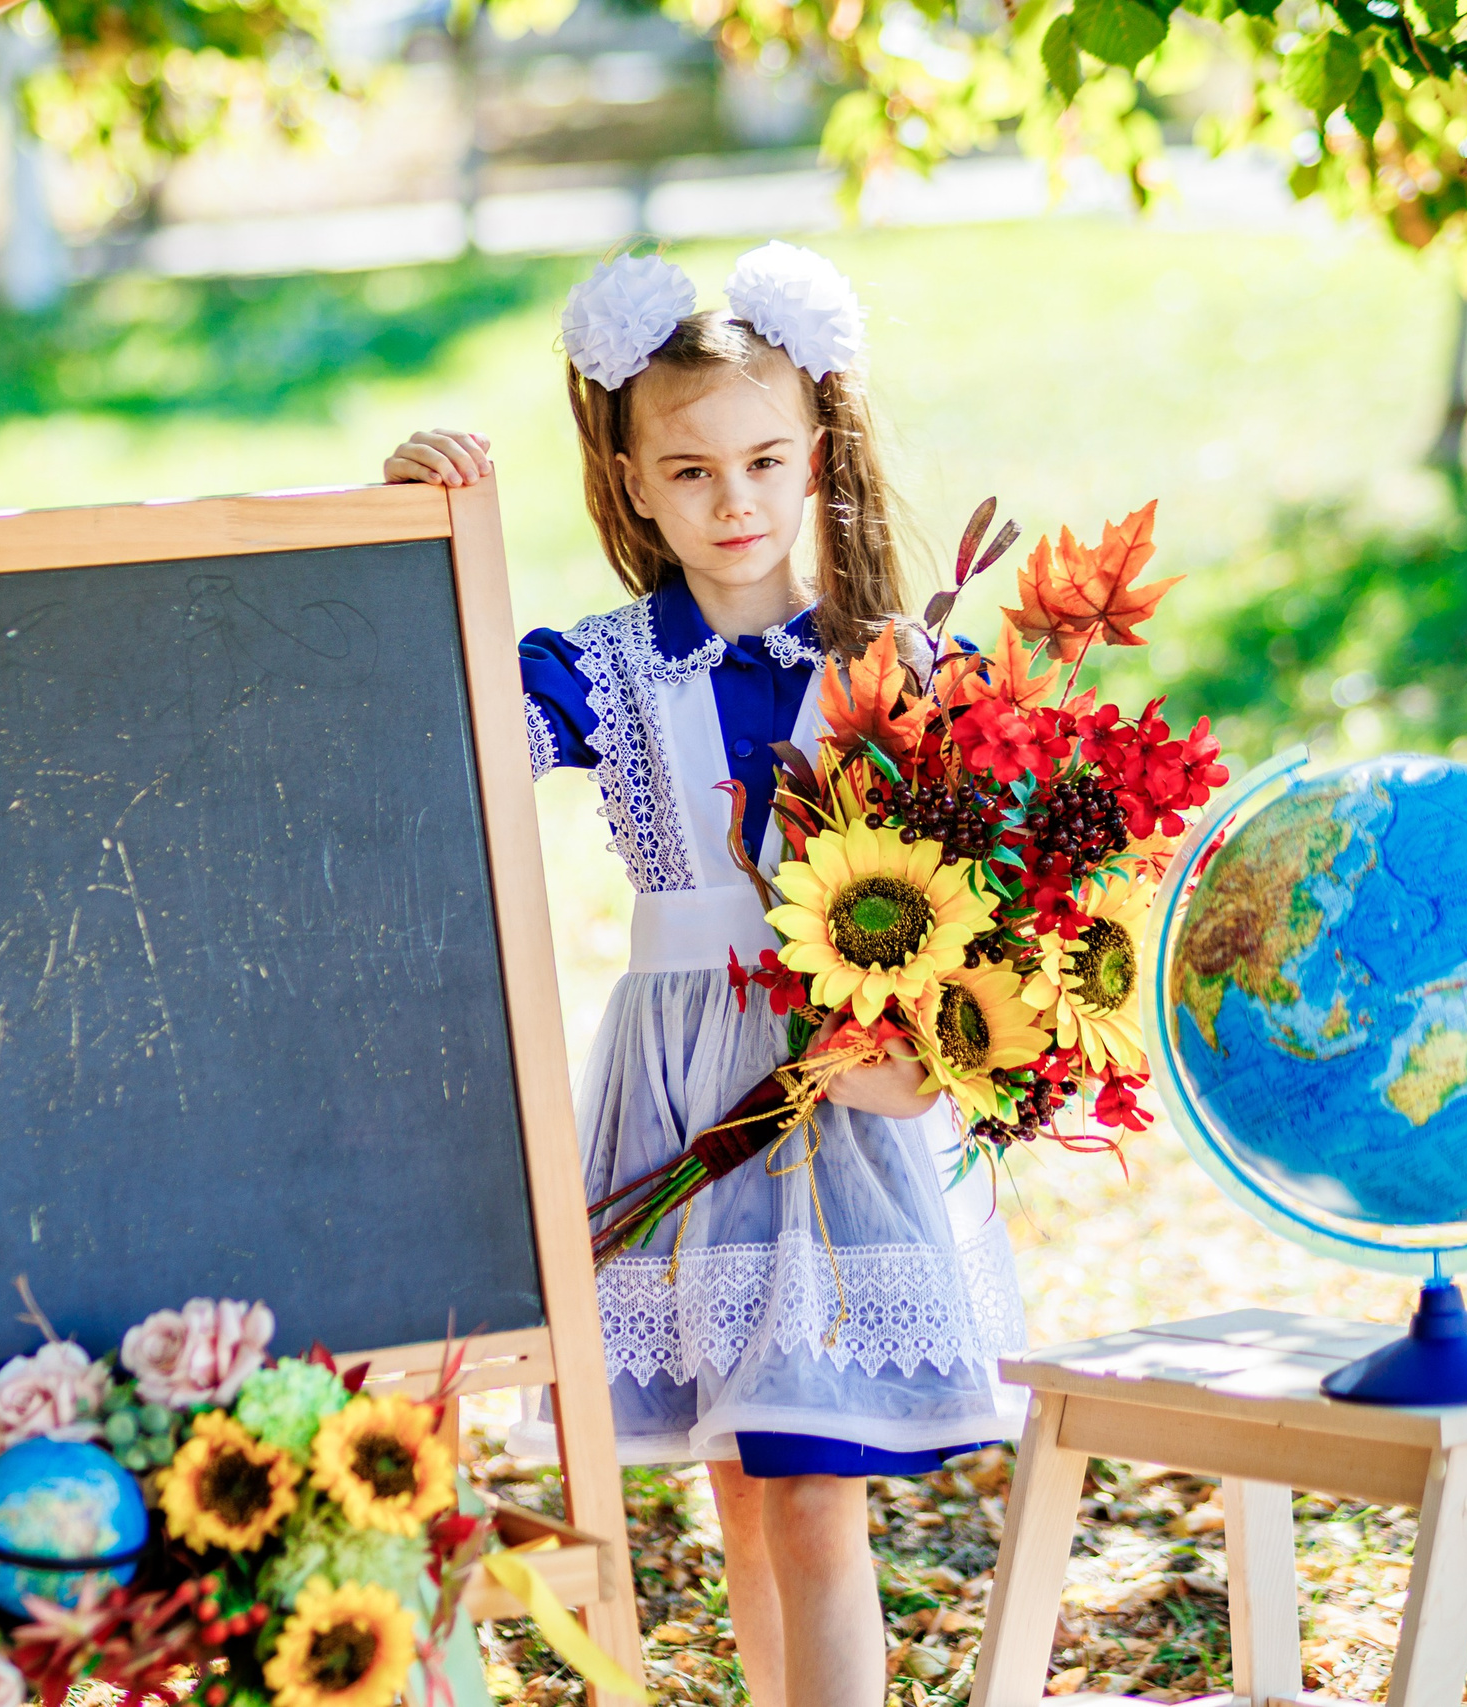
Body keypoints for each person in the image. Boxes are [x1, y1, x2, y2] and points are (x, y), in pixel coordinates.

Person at [382, 243, 1025, 1707]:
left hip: (842, 1105)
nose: (732, 502)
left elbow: (999, 912)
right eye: (687, 472)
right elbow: (425, 709)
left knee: (812, 1488)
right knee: (742, 1486)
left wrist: (933, 1050)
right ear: (627, 479)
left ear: (819, 453)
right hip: (685, 1105)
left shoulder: (906, 669)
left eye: (763, 459)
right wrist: (407, 520)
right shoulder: (600, 671)